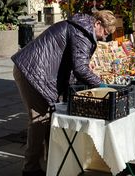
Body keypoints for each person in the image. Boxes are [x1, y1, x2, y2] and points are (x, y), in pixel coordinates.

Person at [11, 10, 116, 176]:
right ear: (97, 24)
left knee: (47, 118)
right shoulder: (83, 31)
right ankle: (30, 169)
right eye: (105, 32)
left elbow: (73, 63)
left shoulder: (81, 27)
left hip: (35, 71)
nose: (104, 37)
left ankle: (50, 163)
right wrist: (101, 85)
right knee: (40, 119)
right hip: (32, 73)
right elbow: (79, 67)